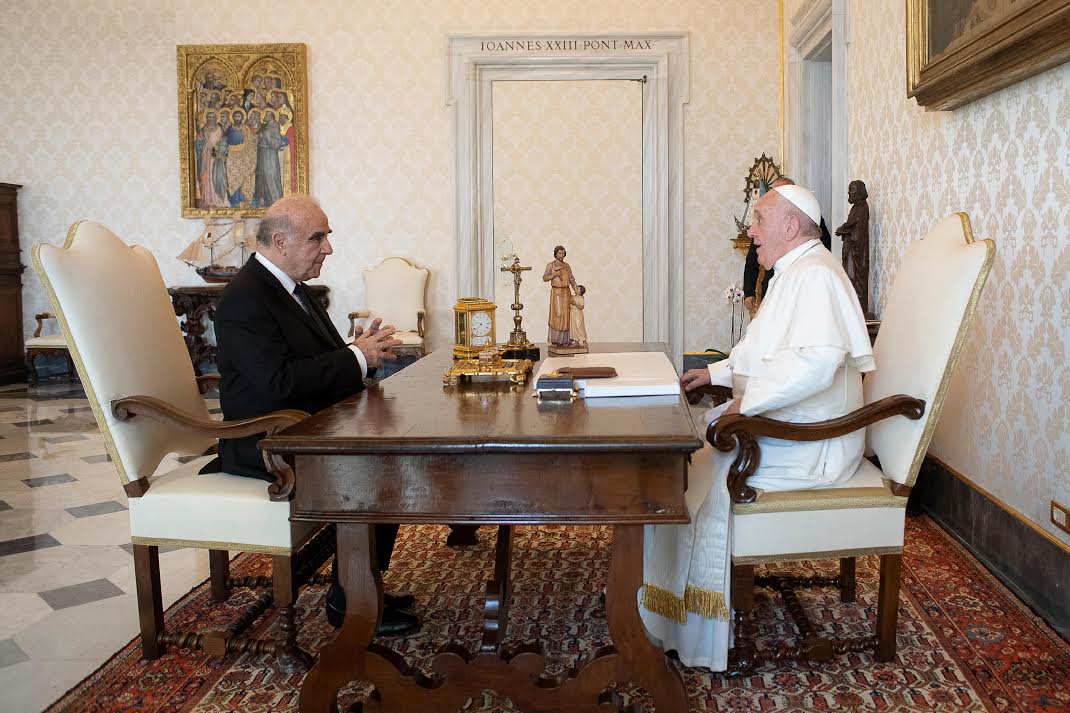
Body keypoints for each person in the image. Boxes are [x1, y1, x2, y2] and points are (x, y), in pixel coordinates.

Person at [641, 184, 874, 670]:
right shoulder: (795, 271)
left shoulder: (816, 276)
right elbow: (763, 354)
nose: (750, 231)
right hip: (792, 424)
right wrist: (714, 375)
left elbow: (816, 365)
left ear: (790, 225)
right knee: (677, 455)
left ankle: (689, 625)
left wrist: (747, 404)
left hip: (815, 443)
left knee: (681, 468)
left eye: (759, 220)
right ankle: (668, 609)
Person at [206, 195, 419, 636]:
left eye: (327, 237)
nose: (328, 248)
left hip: (303, 425)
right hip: (266, 441)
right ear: (280, 241)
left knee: (392, 445)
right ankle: (350, 601)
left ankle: (362, 582)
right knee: (375, 465)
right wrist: (355, 357)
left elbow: (314, 362)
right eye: (317, 238)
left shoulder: (293, 288)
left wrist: (361, 352)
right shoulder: (244, 298)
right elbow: (276, 384)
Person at [743, 177, 832, 314]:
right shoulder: (767, 222)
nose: (751, 232)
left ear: (792, 226)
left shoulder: (815, 273)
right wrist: (749, 292)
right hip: (771, 286)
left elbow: (825, 243)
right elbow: (751, 259)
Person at [543, 245, 578, 345]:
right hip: (556, 292)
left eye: (563, 253)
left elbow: (571, 279)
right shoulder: (551, 265)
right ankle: (556, 340)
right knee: (557, 314)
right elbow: (545, 278)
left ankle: (566, 340)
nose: (561, 255)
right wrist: (554, 275)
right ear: (555, 254)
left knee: (566, 314)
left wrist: (576, 290)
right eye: (559, 253)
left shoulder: (567, 266)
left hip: (566, 292)